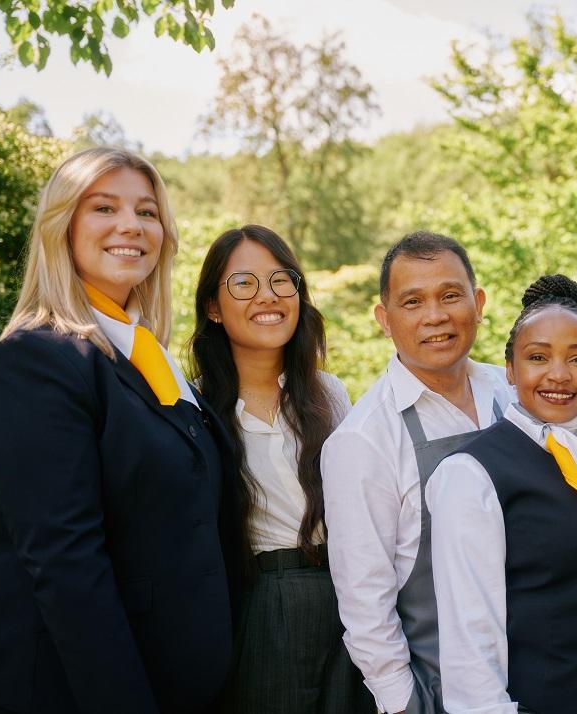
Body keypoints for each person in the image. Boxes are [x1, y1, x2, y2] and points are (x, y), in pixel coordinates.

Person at [0, 147, 243, 713]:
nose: (131, 225)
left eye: (147, 212)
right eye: (104, 207)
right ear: (63, 227)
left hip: (180, 682)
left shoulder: (148, 355)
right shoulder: (36, 360)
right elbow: (65, 564)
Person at [427, 275, 577, 714]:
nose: (559, 374)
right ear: (510, 370)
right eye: (538, 357)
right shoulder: (471, 473)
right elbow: (470, 634)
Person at [322, 230, 512, 714]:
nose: (435, 316)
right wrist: (404, 703)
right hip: (441, 692)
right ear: (384, 320)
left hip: (542, 677)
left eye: (450, 295)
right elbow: (365, 601)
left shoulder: (513, 397)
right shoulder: (363, 439)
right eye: (412, 302)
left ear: (479, 303)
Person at [189, 224, 374, 713]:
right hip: (264, 601)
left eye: (281, 280)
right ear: (213, 307)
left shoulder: (328, 392)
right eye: (243, 283)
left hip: (351, 595)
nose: (267, 296)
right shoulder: (196, 406)